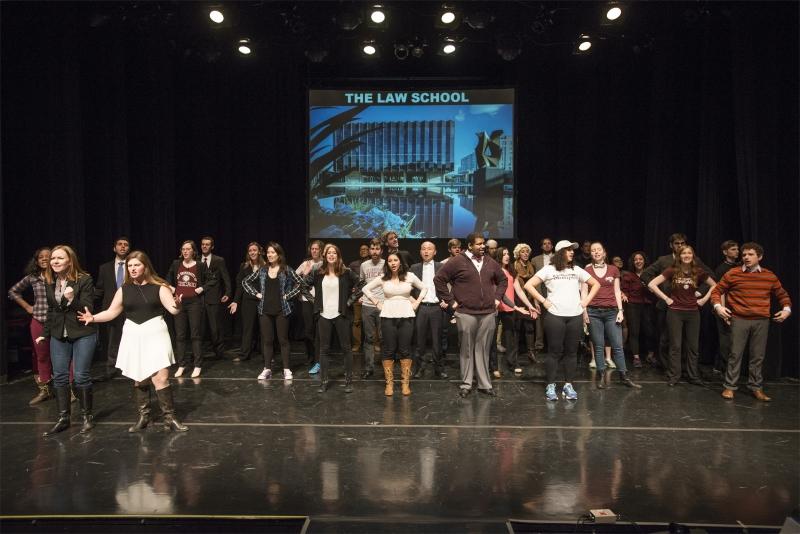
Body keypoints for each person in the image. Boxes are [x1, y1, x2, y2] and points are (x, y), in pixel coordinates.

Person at [77, 251, 188, 432]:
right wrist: (93, 318)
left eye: (136, 265)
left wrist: (179, 305)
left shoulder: (160, 287)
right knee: (139, 377)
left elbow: (174, 311)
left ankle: (170, 418)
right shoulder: (124, 289)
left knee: (161, 377)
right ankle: (144, 417)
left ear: (145, 267)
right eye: (130, 266)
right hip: (133, 334)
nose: (132, 268)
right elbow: (112, 312)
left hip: (155, 333)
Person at [434, 233, 522, 398]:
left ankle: (484, 384)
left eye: (484, 244)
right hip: (465, 312)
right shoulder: (457, 261)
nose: (483, 247)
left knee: (483, 350)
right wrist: (451, 301)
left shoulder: (490, 261)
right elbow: (439, 279)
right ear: (469, 246)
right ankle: (466, 384)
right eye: (479, 244)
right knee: (467, 349)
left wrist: (497, 299)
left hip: (487, 313)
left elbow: (503, 280)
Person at [711, 242, 791, 401]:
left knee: (757, 356)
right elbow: (717, 291)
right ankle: (729, 387)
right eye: (744, 254)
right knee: (735, 353)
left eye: (750, 254)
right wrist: (718, 306)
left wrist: (786, 309)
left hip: (761, 320)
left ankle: (756, 387)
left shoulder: (769, 276)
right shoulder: (733, 274)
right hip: (739, 319)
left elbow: (782, 295)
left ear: (759, 257)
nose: (746, 257)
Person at [524, 240, 600, 401]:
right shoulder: (549, 269)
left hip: (575, 315)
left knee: (572, 352)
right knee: (554, 352)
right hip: (555, 316)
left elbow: (596, 284)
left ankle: (568, 384)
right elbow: (529, 285)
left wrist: (585, 302)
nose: (572, 252)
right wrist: (543, 301)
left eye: (573, 250)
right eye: (568, 250)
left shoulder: (576, 270)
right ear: (560, 253)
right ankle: (550, 384)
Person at [36, 245, 97, 435]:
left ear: (70, 261)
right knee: (60, 376)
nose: (54, 261)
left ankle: (87, 416)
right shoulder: (50, 282)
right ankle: (64, 418)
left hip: (82, 333)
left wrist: (72, 300)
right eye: (53, 258)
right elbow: (52, 311)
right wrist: (45, 334)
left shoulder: (84, 280)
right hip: (58, 334)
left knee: (80, 376)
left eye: (59, 258)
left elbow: (87, 309)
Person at [291, 243, 359, 393]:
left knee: (346, 349)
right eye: (329, 253)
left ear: (338, 256)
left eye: (334, 253)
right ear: (325, 256)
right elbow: (302, 286)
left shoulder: (346, 272)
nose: (331, 255)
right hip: (323, 315)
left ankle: (349, 381)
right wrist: (314, 301)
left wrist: (349, 301)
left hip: (341, 314)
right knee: (324, 350)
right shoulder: (318, 272)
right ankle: (324, 382)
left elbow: (362, 284)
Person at [647, 245, 716, 387]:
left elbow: (715, 285)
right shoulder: (672, 270)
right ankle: (674, 376)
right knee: (675, 346)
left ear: (693, 255)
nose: (686, 255)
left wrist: (704, 299)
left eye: (689, 253)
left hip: (693, 312)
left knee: (693, 346)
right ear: (679, 256)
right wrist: (666, 299)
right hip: (675, 312)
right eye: (683, 253)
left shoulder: (698, 271)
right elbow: (652, 284)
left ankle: (693, 376)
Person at [363, 252, 426, 396]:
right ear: (387, 264)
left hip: (406, 315)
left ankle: (405, 384)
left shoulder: (410, 276)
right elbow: (365, 289)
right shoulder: (383, 278)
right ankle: (389, 384)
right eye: (390, 260)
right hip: (388, 315)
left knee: (405, 349)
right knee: (389, 350)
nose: (392, 263)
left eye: (395, 260)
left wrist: (417, 302)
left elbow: (424, 288)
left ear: (400, 262)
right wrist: (376, 302)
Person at [584, 242, 640, 388]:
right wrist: (584, 312)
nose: (596, 252)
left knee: (617, 345)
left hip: (611, 312)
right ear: (591, 254)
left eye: (599, 250)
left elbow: (616, 291)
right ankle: (601, 375)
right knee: (599, 345)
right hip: (593, 311)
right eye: (593, 250)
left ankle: (624, 376)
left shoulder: (613, 269)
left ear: (604, 252)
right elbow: (583, 292)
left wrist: (620, 311)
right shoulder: (587, 270)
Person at [242, 242, 297, 380]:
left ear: (278, 254)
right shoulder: (262, 270)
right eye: (268, 252)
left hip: (281, 310)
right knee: (267, 340)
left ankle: (286, 369)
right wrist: (256, 294)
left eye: (273, 252)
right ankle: (267, 368)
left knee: (283, 340)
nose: (270, 255)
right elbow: (245, 282)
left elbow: (301, 283)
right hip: (265, 310)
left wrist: (288, 295)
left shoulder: (286, 269)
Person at [8, 247, 54, 405]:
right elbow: (13, 291)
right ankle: (45, 390)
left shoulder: (59, 275)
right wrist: (27, 307)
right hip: (38, 319)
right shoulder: (32, 278)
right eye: (41, 257)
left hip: (57, 321)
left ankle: (70, 391)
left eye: (48, 256)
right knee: (41, 355)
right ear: (37, 260)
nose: (44, 259)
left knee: (62, 356)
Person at [166, 240, 212, 378]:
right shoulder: (176, 264)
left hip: (195, 303)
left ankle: (197, 365)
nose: (185, 251)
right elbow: (167, 279)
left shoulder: (200, 265)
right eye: (183, 249)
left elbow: (213, 279)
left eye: (188, 249)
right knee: (180, 335)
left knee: (195, 335)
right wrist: (172, 288)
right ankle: (181, 365)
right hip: (179, 302)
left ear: (193, 251)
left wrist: (202, 288)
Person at [409, 241, 448, 380]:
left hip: (436, 307)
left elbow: (451, 284)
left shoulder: (441, 267)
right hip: (421, 308)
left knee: (437, 341)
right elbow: (407, 286)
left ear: (435, 252)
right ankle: (419, 368)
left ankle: (439, 369)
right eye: (423, 249)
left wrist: (447, 299)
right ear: (420, 252)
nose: (426, 251)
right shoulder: (414, 268)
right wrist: (412, 301)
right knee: (419, 341)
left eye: (429, 249)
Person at [93, 236, 130, 381]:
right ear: (114, 248)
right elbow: (100, 289)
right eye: (119, 244)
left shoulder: (133, 265)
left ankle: (129, 367)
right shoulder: (105, 268)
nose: (122, 247)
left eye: (126, 245)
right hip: (111, 308)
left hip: (130, 306)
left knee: (129, 337)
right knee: (112, 339)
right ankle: (111, 367)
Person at [495, 246, 532, 376]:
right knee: (492, 338)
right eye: (504, 254)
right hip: (495, 308)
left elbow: (519, 291)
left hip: (509, 308)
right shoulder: (495, 270)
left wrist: (529, 305)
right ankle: (493, 366)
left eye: (508, 253)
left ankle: (512, 363)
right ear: (499, 256)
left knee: (511, 338)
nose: (507, 256)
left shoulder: (511, 271)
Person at [229, 242, 265, 362]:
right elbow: (240, 285)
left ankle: (266, 355)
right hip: (248, 301)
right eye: (250, 251)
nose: (252, 252)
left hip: (262, 300)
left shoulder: (265, 266)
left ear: (259, 251)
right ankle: (245, 354)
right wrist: (235, 301)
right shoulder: (244, 266)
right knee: (248, 328)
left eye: (254, 250)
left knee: (264, 328)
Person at [200, 236, 233, 360]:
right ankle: (199, 352)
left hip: (214, 298)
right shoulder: (197, 259)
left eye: (207, 244)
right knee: (200, 327)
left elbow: (226, 278)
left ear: (212, 246)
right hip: (199, 299)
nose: (204, 246)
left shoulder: (218, 260)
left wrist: (228, 293)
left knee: (215, 328)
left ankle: (219, 352)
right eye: (203, 244)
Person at [621, 251, 656, 368]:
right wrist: (623, 295)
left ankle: (650, 354)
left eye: (640, 259)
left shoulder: (650, 274)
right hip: (633, 305)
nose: (638, 261)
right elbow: (623, 290)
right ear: (633, 262)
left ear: (644, 261)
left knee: (649, 331)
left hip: (647, 305)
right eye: (636, 259)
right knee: (634, 331)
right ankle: (636, 357)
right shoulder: (628, 275)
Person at [296, 240, 324, 374]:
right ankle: (311, 355)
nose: (314, 251)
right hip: (306, 300)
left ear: (321, 250)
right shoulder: (306, 264)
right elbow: (294, 280)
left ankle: (319, 358)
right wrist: (305, 273)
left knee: (319, 331)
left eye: (316, 249)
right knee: (308, 330)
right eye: (312, 249)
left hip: (320, 300)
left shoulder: (324, 264)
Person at [713, 240, 740, 374]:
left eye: (737, 249)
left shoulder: (738, 266)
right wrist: (722, 310)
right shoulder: (722, 269)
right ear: (725, 252)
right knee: (725, 338)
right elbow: (720, 290)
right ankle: (724, 367)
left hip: (735, 307)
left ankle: (719, 366)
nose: (737, 251)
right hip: (724, 308)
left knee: (731, 338)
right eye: (733, 249)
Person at [358, 239, 384, 379]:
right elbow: (362, 283)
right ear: (369, 250)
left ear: (381, 250)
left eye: (377, 248)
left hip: (383, 305)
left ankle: (387, 368)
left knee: (383, 337)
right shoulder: (364, 265)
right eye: (372, 248)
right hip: (367, 305)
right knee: (368, 338)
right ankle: (369, 368)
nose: (374, 251)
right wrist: (362, 296)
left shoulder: (387, 264)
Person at [513, 243, 540, 363]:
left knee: (530, 327)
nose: (525, 253)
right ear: (518, 253)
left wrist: (536, 301)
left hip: (529, 299)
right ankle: (514, 353)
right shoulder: (514, 266)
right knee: (517, 327)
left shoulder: (530, 266)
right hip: (517, 299)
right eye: (523, 251)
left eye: (527, 251)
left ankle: (531, 352)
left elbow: (533, 286)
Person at [530, 238, 554, 357]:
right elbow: (533, 278)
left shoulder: (557, 258)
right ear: (541, 246)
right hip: (540, 290)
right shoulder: (535, 260)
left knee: (554, 319)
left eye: (549, 243)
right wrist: (535, 297)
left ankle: (553, 344)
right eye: (544, 244)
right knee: (539, 319)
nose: (547, 245)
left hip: (553, 291)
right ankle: (539, 345)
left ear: (552, 245)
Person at [348, 243, 370, 353]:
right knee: (357, 321)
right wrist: (352, 288)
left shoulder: (373, 264)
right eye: (361, 249)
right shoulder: (353, 264)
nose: (363, 251)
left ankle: (375, 343)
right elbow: (347, 278)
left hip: (370, 296)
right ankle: (357, 344)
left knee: (372, 321)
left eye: (366, 249)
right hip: (357, 296)